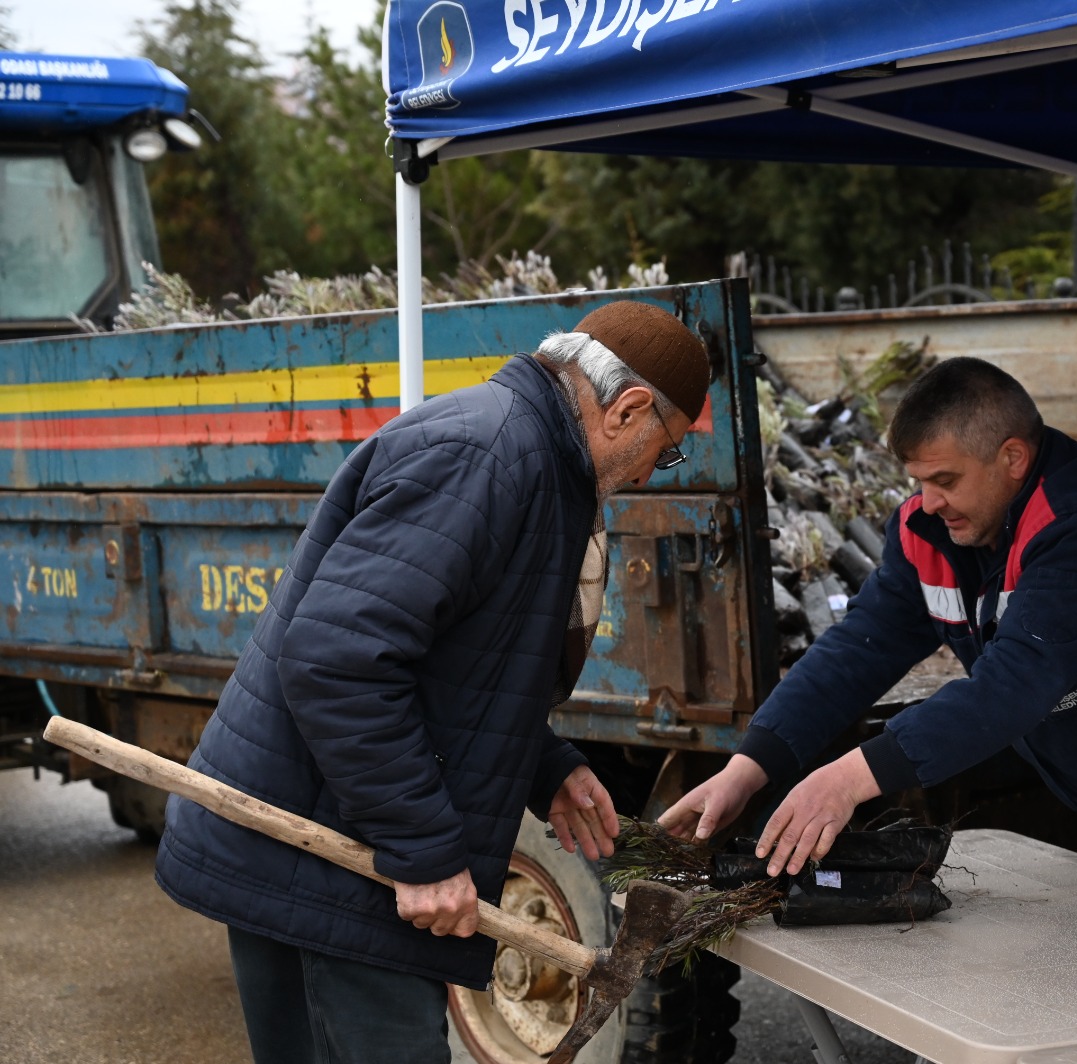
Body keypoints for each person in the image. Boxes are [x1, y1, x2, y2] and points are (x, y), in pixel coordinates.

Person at [155, 300, 710, 1064]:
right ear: (629, 407)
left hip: (348, 847)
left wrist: (542, 763)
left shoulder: (537, 462)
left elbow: (453, 656)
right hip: (320, 871)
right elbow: (337, 661)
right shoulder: (485, 455)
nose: (653, 471)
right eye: (667, 449)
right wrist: (423, 848)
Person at [662, 357, 1077, 905]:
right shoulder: (929, 528)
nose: (928, 502)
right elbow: (858, 648)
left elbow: (1010, 687)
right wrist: (749, 766)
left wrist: (848, 778)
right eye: (918, 481)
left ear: (1012, 457)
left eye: (946, 481)